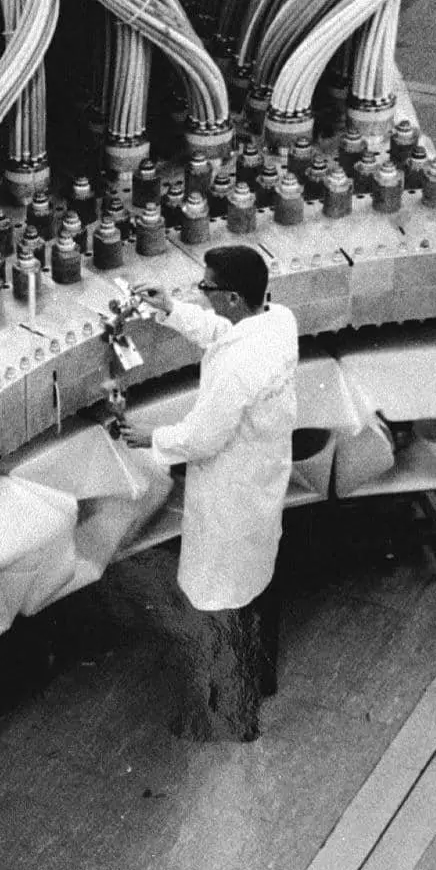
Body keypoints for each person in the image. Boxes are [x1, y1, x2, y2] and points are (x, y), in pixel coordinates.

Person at [122, 244, 298, 741]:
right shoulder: (277, 320)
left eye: (208, 287)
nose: (201, 292)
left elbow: (202, 438)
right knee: (256, 591)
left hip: (230, 498)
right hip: (259, 488)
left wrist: (152, 438)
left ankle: (232, 719)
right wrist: (172, 310)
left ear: (236, 298)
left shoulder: (236, 367)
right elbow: (226, 335)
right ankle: (259, 685)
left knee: (222, 607)